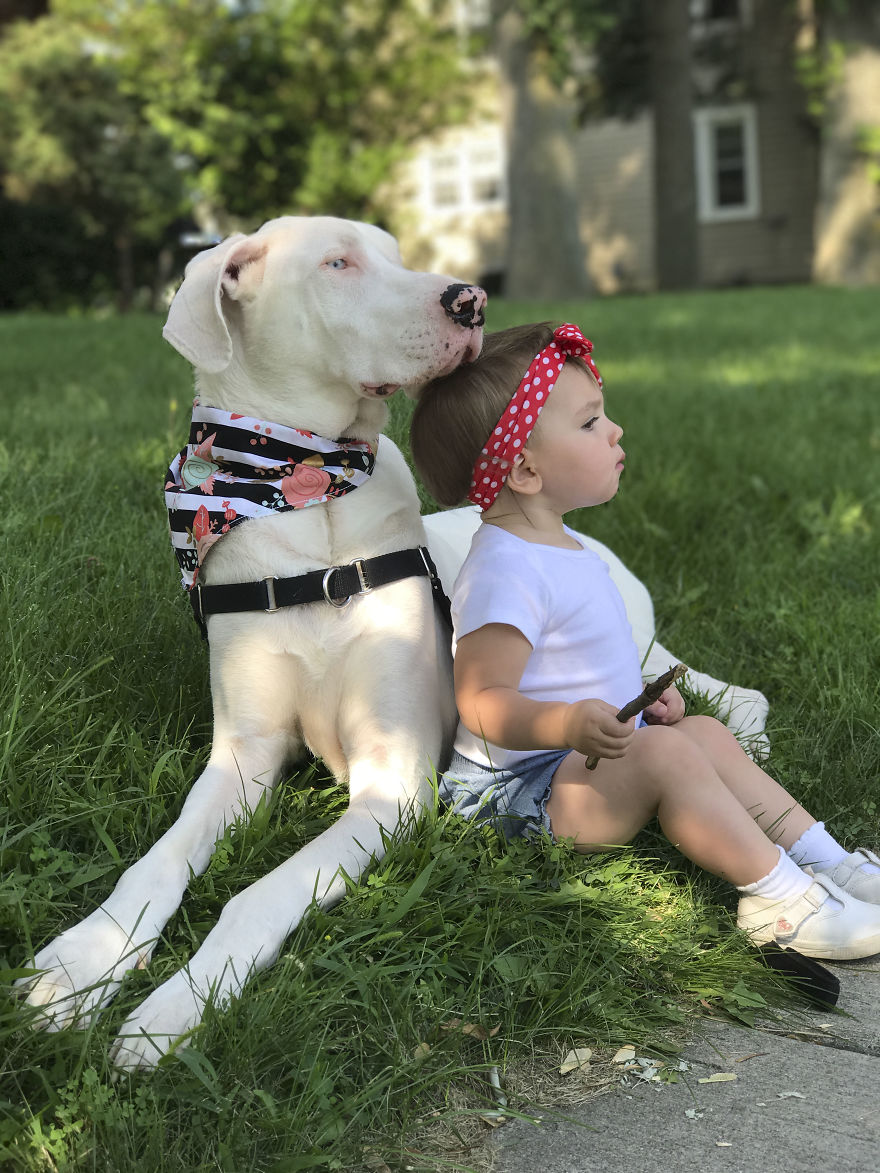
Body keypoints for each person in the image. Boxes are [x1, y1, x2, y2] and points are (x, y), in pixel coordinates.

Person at [410, 321, 880, 960]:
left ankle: (826, 861)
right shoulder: (505, 567)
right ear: (523, 469)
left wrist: (636, 701)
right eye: (589, 422)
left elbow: (574, 665)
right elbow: (482, 701)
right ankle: (778, 901)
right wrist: (569, 723)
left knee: (704, 736)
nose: (616, 430)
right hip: (516, 800)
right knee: (668, 758)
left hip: (576, 765)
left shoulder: (561, 547)